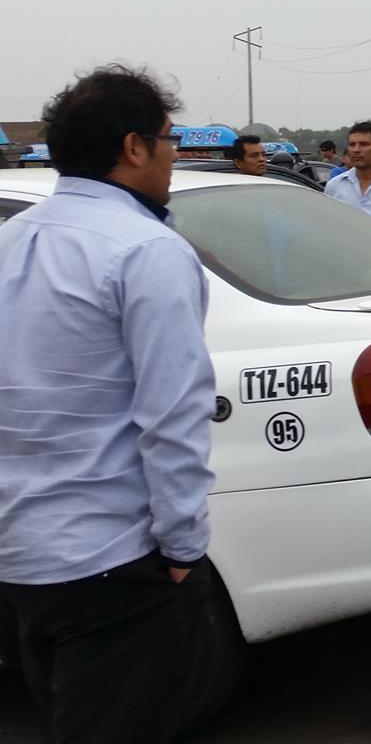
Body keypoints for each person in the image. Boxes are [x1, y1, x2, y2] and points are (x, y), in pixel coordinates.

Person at [0, 66, 225, 742]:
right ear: (133, 147)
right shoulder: (147, 251)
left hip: (22, 555)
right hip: (112, 561)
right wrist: (183, 544)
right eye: (168, 138)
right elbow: (173, 415)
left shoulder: (12, 241)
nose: (174, 154)